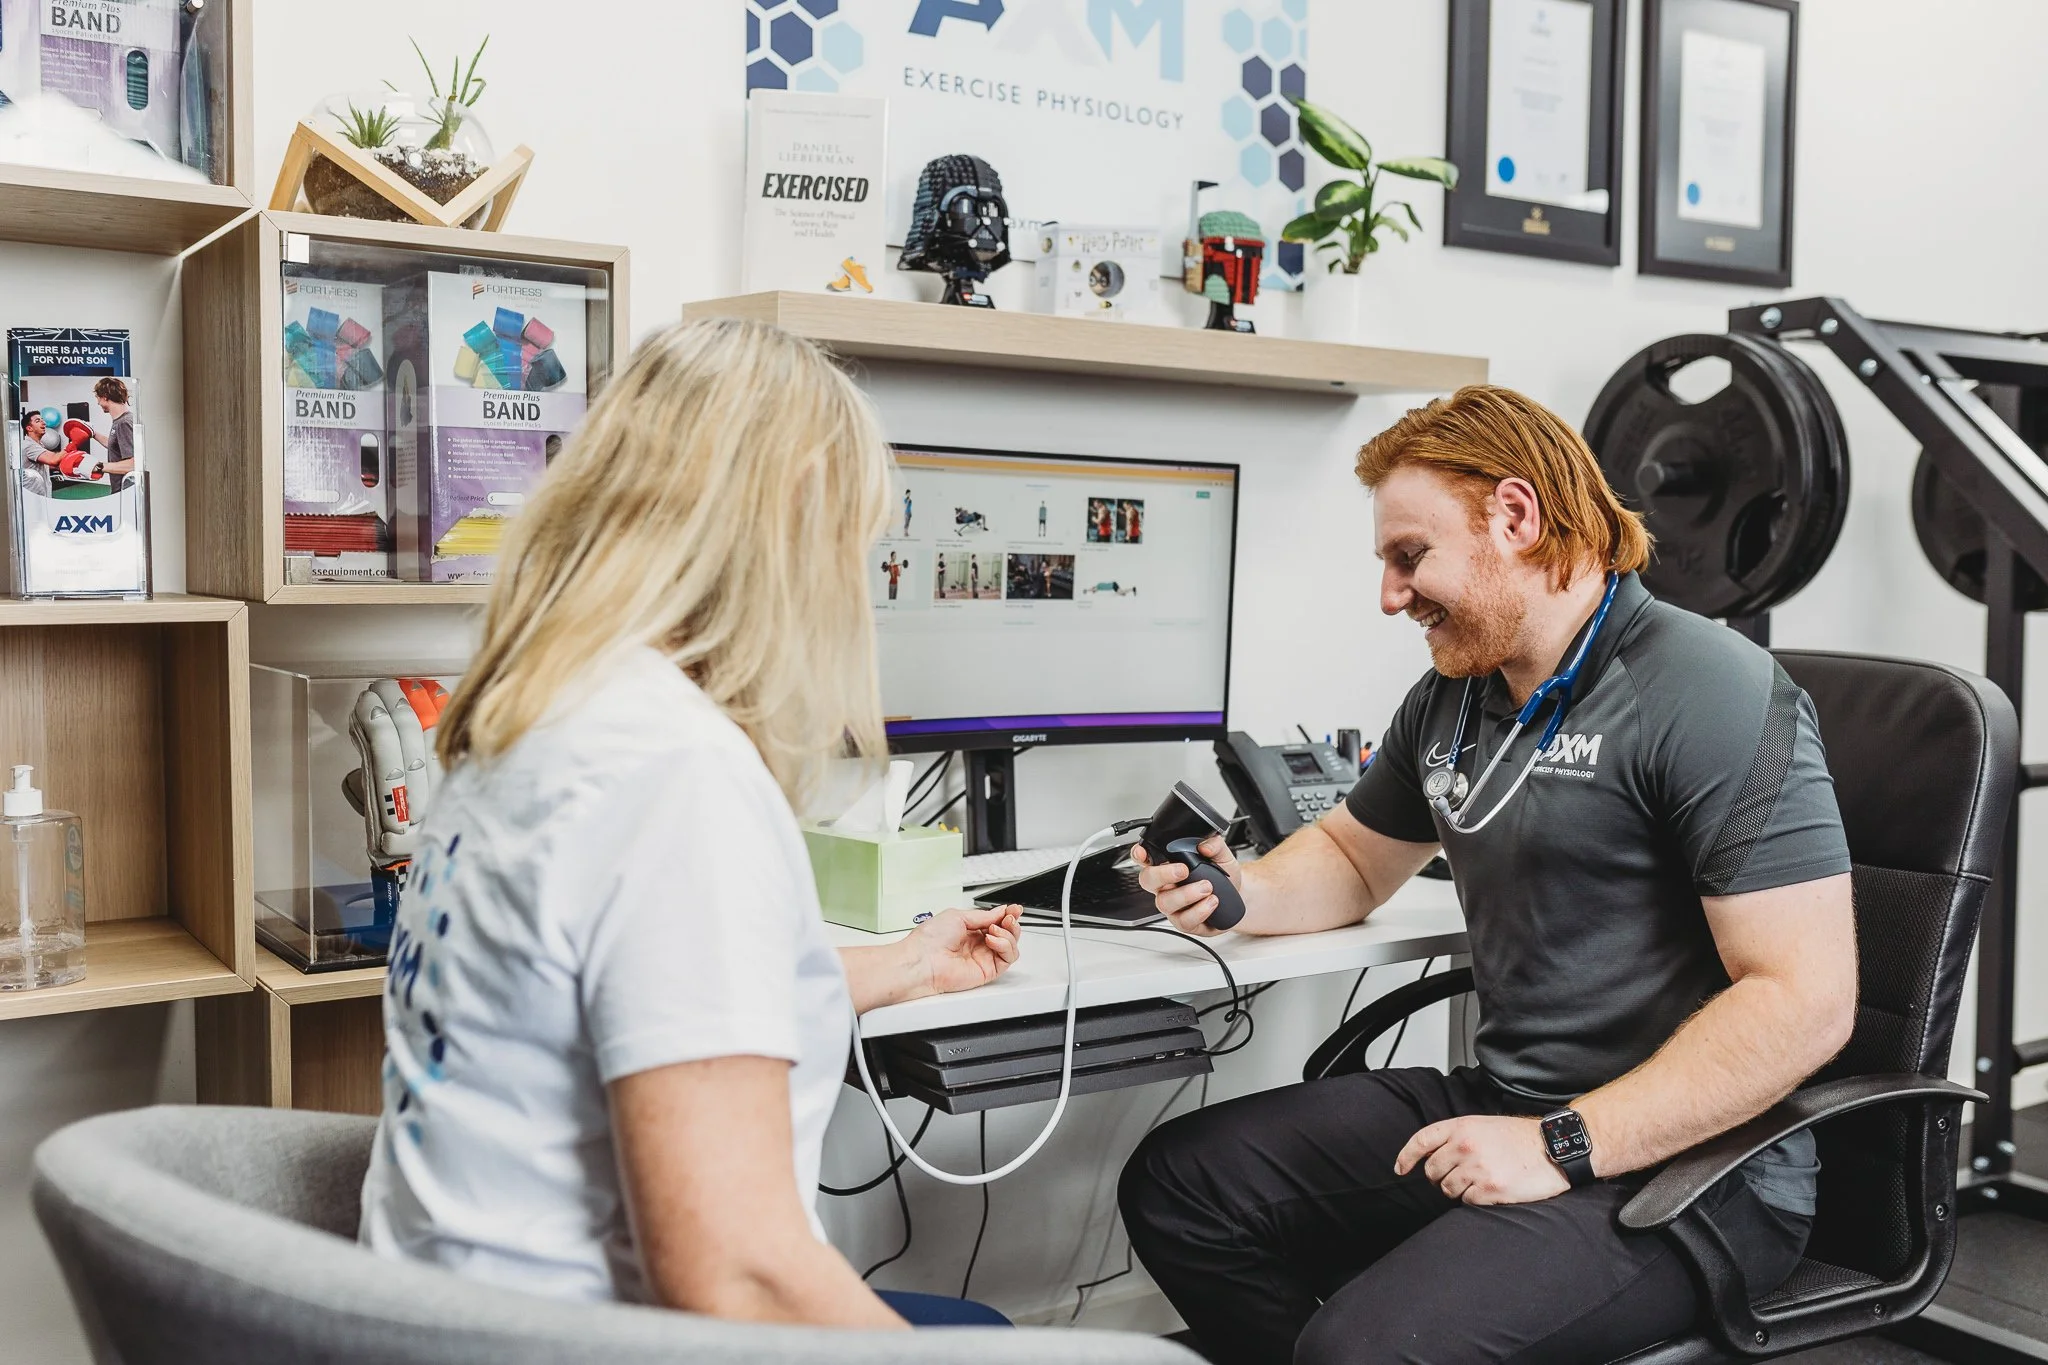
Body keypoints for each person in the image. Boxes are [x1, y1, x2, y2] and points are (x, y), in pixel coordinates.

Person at [1120, 385, 1857, 1365]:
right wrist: (1239, 892)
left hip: (1699, 1171)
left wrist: (1560, 1143)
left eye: (1408, 556)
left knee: (1360, 1349)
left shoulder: (1702, 689)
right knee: (1182, 1185)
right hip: (1511, 1102)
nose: (1389, 595)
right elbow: (1348, 859)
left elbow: (1804, 999)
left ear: (1512, 515)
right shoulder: (1456, 697)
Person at [359, 318, 1025, 1329]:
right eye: (854, 544)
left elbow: (639, 995)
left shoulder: (525, 716)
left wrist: (907, 966)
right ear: (788, 525)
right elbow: (734, 1279)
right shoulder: (672, 775)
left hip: (440, 1319)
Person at [91, 377, 137, 493]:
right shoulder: (120, 421)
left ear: (105, 397)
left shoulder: (124, 422)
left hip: (126, 492)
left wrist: (97, 467)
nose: (97, 403)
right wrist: (92, 433)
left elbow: (133, 464)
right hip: (121, 489)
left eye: (97, 397)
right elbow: (115, 446)